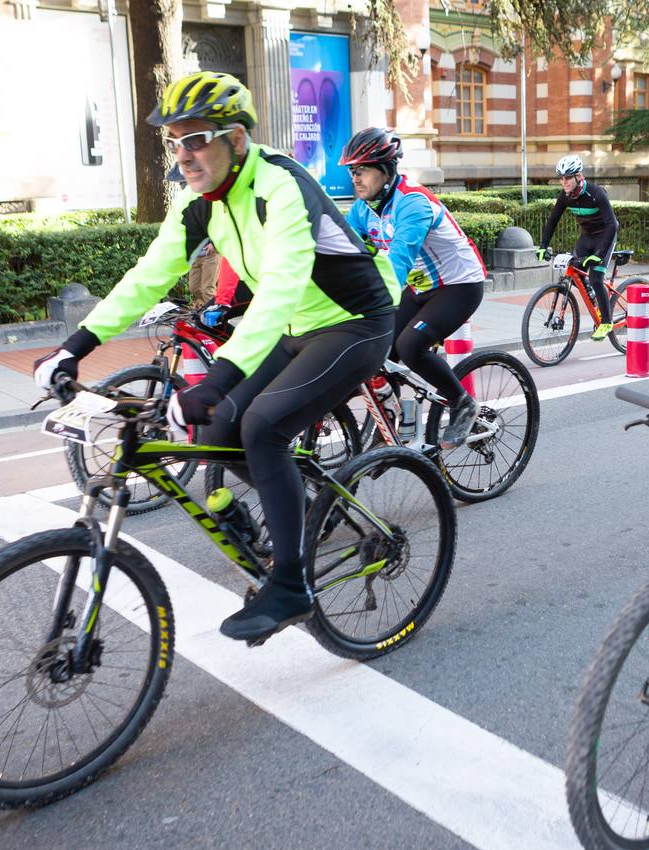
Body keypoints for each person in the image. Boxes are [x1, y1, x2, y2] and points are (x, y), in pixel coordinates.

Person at [31, 71, 400, 644]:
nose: (185, 155)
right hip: (294, 325)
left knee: (262, 426)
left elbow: (280, 287)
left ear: (237, 139)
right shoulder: (199, 202)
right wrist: (75, 346)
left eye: (197, 138)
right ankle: (301, 511)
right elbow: (147, 278)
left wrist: (219, 377)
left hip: (354, 323)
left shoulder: (280, 184)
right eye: (176, 142)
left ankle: (290, 585)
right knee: (216, 431)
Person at [341, 127, 486, 448]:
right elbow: (341, 250)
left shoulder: (413, 204)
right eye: (352, 170)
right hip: (420, 287)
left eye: (362, 169)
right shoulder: (363, 209)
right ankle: (393, 422)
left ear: (387, 170)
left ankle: (463, 403)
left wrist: (365, 305)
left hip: (459, 283)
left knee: (410, 346)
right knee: (376, 349)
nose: (355, 177)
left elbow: (398, 262)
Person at [537, 155, 620, 340]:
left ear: (578, 176)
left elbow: (612, 225)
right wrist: (543, 245)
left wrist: (599, 255)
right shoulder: (566, 196)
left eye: (567, 177)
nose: (563, 182)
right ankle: (593, 296)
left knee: (596, 277)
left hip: (605, 235)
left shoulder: (596, 193)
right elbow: (552, 221)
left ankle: (606, 322)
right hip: (587, 237)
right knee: (575, 271)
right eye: (561, 178)